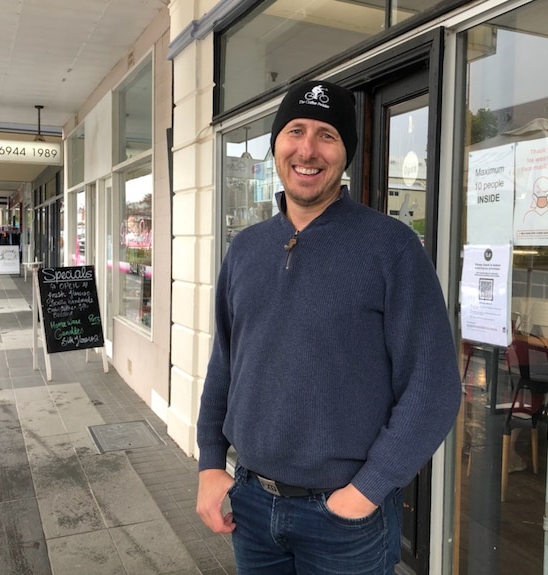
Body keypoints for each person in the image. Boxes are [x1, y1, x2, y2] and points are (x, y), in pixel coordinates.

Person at [195, 79, 462, 574]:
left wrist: (367, 491)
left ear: (345, 155)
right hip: (251, 502)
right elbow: (225, 366)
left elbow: (433, 386)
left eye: (327, 135)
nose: (308, 149)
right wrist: (212, 462)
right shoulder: (245, 250)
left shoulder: (392, 248)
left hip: (345, 517)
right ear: (276, 145)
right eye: (295, 130)